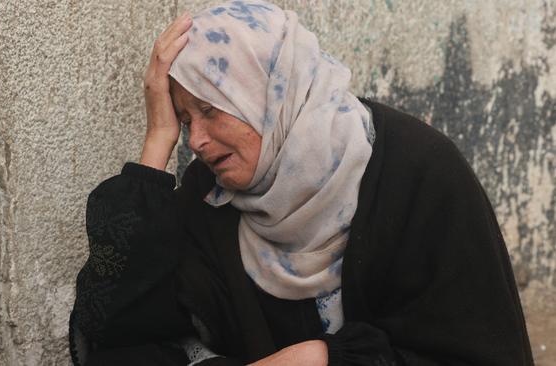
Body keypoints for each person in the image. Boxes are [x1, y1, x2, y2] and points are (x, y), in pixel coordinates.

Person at [69, 1, 534, 365]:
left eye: (210, 109)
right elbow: (109, 324)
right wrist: (157, 141)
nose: (199, 141)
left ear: (271, 92)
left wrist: (323, 358)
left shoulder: (421, 175)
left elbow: (479, 354)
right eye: (184, 119)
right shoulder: (211, 193)